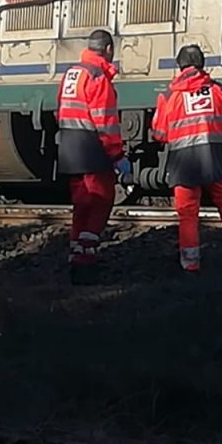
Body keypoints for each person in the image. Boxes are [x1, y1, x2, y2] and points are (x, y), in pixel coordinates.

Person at [150, 44, 222, 272]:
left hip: (184, 160)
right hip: (216, 154)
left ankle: (191, 263)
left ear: (179, 67)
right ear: (203, 65)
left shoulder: (169, 97)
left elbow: (160, 133)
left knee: (187, 211)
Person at [55, 29, 130, 284]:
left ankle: (76, 252)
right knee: (101, 199)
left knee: (82, 203)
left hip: (69, 144)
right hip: (92, 149)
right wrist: (117, 154)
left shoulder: (72, 74)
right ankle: (86, 257)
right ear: (108, 49)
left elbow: (60, 109)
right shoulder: (98, 77)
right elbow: (105, 121)